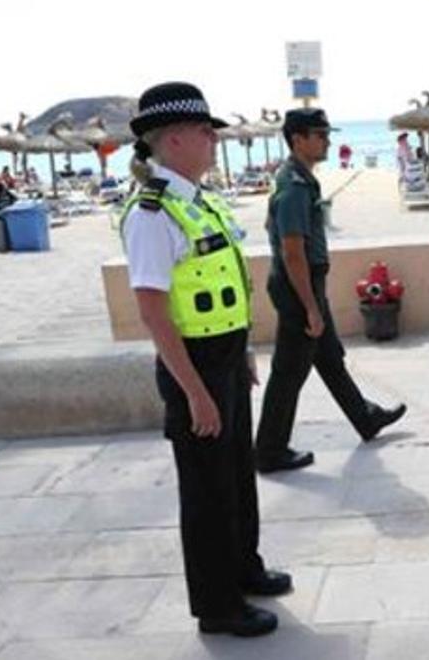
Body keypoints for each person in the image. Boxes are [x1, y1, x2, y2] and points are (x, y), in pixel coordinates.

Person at [120, 82, 290, 638]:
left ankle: (244, 568)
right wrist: (193, 391)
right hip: (190, 362)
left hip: (223, 354)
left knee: (236, 475)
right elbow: (152, 311)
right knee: (207, 491)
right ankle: (218, 605)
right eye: (203, 131)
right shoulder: (151, 212)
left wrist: (240, 352)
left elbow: (226, 281)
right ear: (172, 139)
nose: (213, 139)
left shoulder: (199, 199)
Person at [253, 108, 406, 473]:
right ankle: (269, 450)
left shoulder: (302, 180)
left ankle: (365, 418)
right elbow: (292, 253)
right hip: (298, 288)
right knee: (289, 372)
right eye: (320, 134)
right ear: (298, 140)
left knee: (329, 357)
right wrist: (310, 306)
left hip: (307, 284)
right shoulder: (293, 186)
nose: (327, 141)